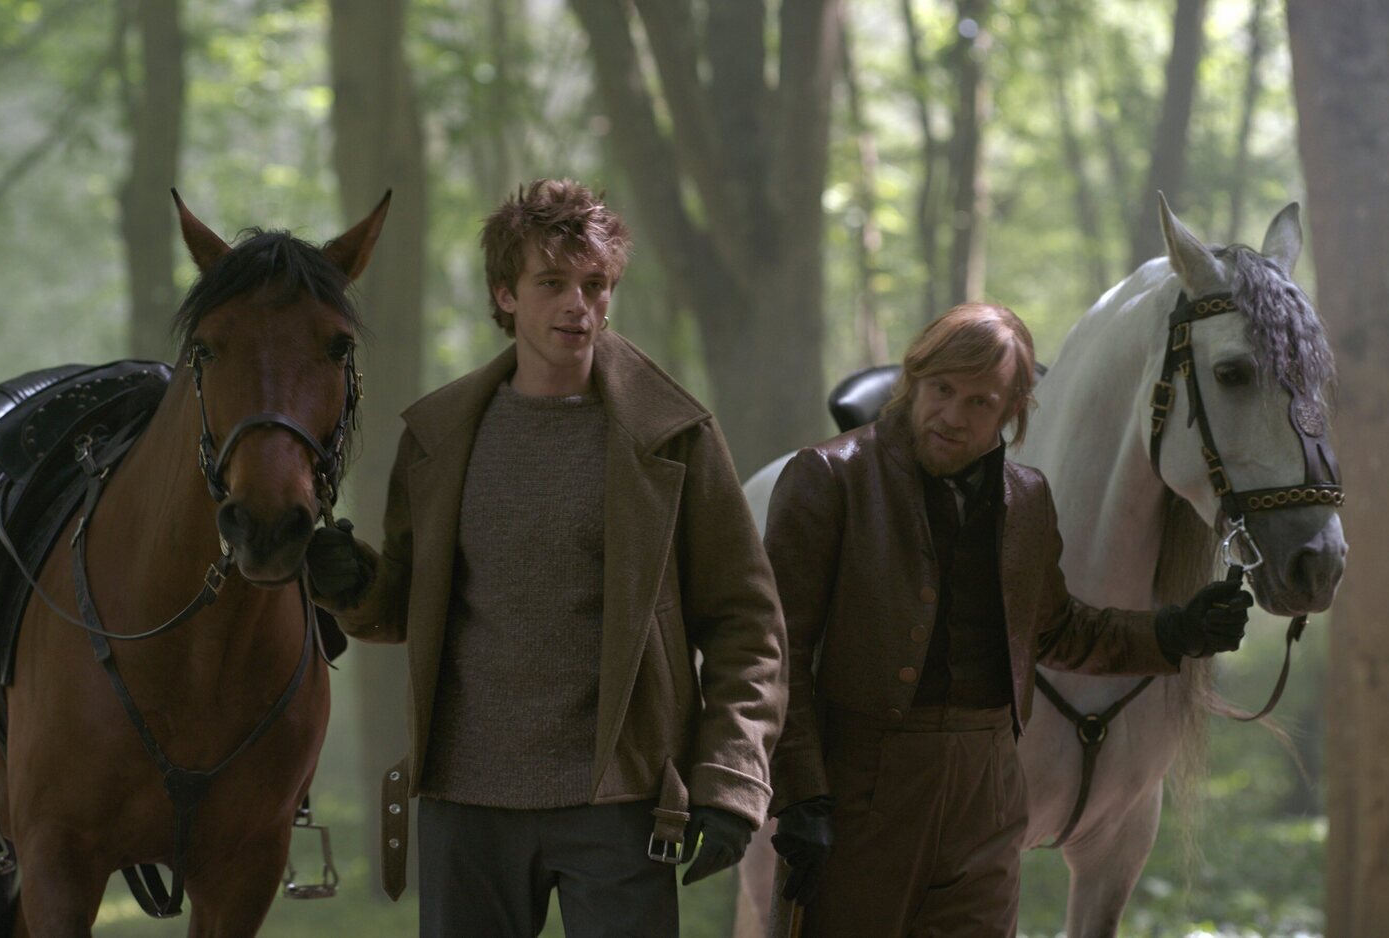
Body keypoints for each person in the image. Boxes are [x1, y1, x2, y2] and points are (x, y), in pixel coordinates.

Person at [304, 179, 786, 937]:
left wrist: (729, 780)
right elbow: (406, 603)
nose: (579, 306)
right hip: (466, 800)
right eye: (552, 283)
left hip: (620, 800)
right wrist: (353, 583)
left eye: (595, 285)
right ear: (505, 294)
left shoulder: (675, 437)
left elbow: (746, 624)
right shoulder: (437, 436)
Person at [763, 303, 1253, 936]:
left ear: (1010, 414)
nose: (952, 416)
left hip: (989, 794)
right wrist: (800, 792)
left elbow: (1058, 631)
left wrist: (1176, 631)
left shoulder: (1025, 498)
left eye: (979, 403)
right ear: (915, 380)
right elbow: (779, 655)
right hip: (864, 787)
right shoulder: (828, 478)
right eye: (943, 390)